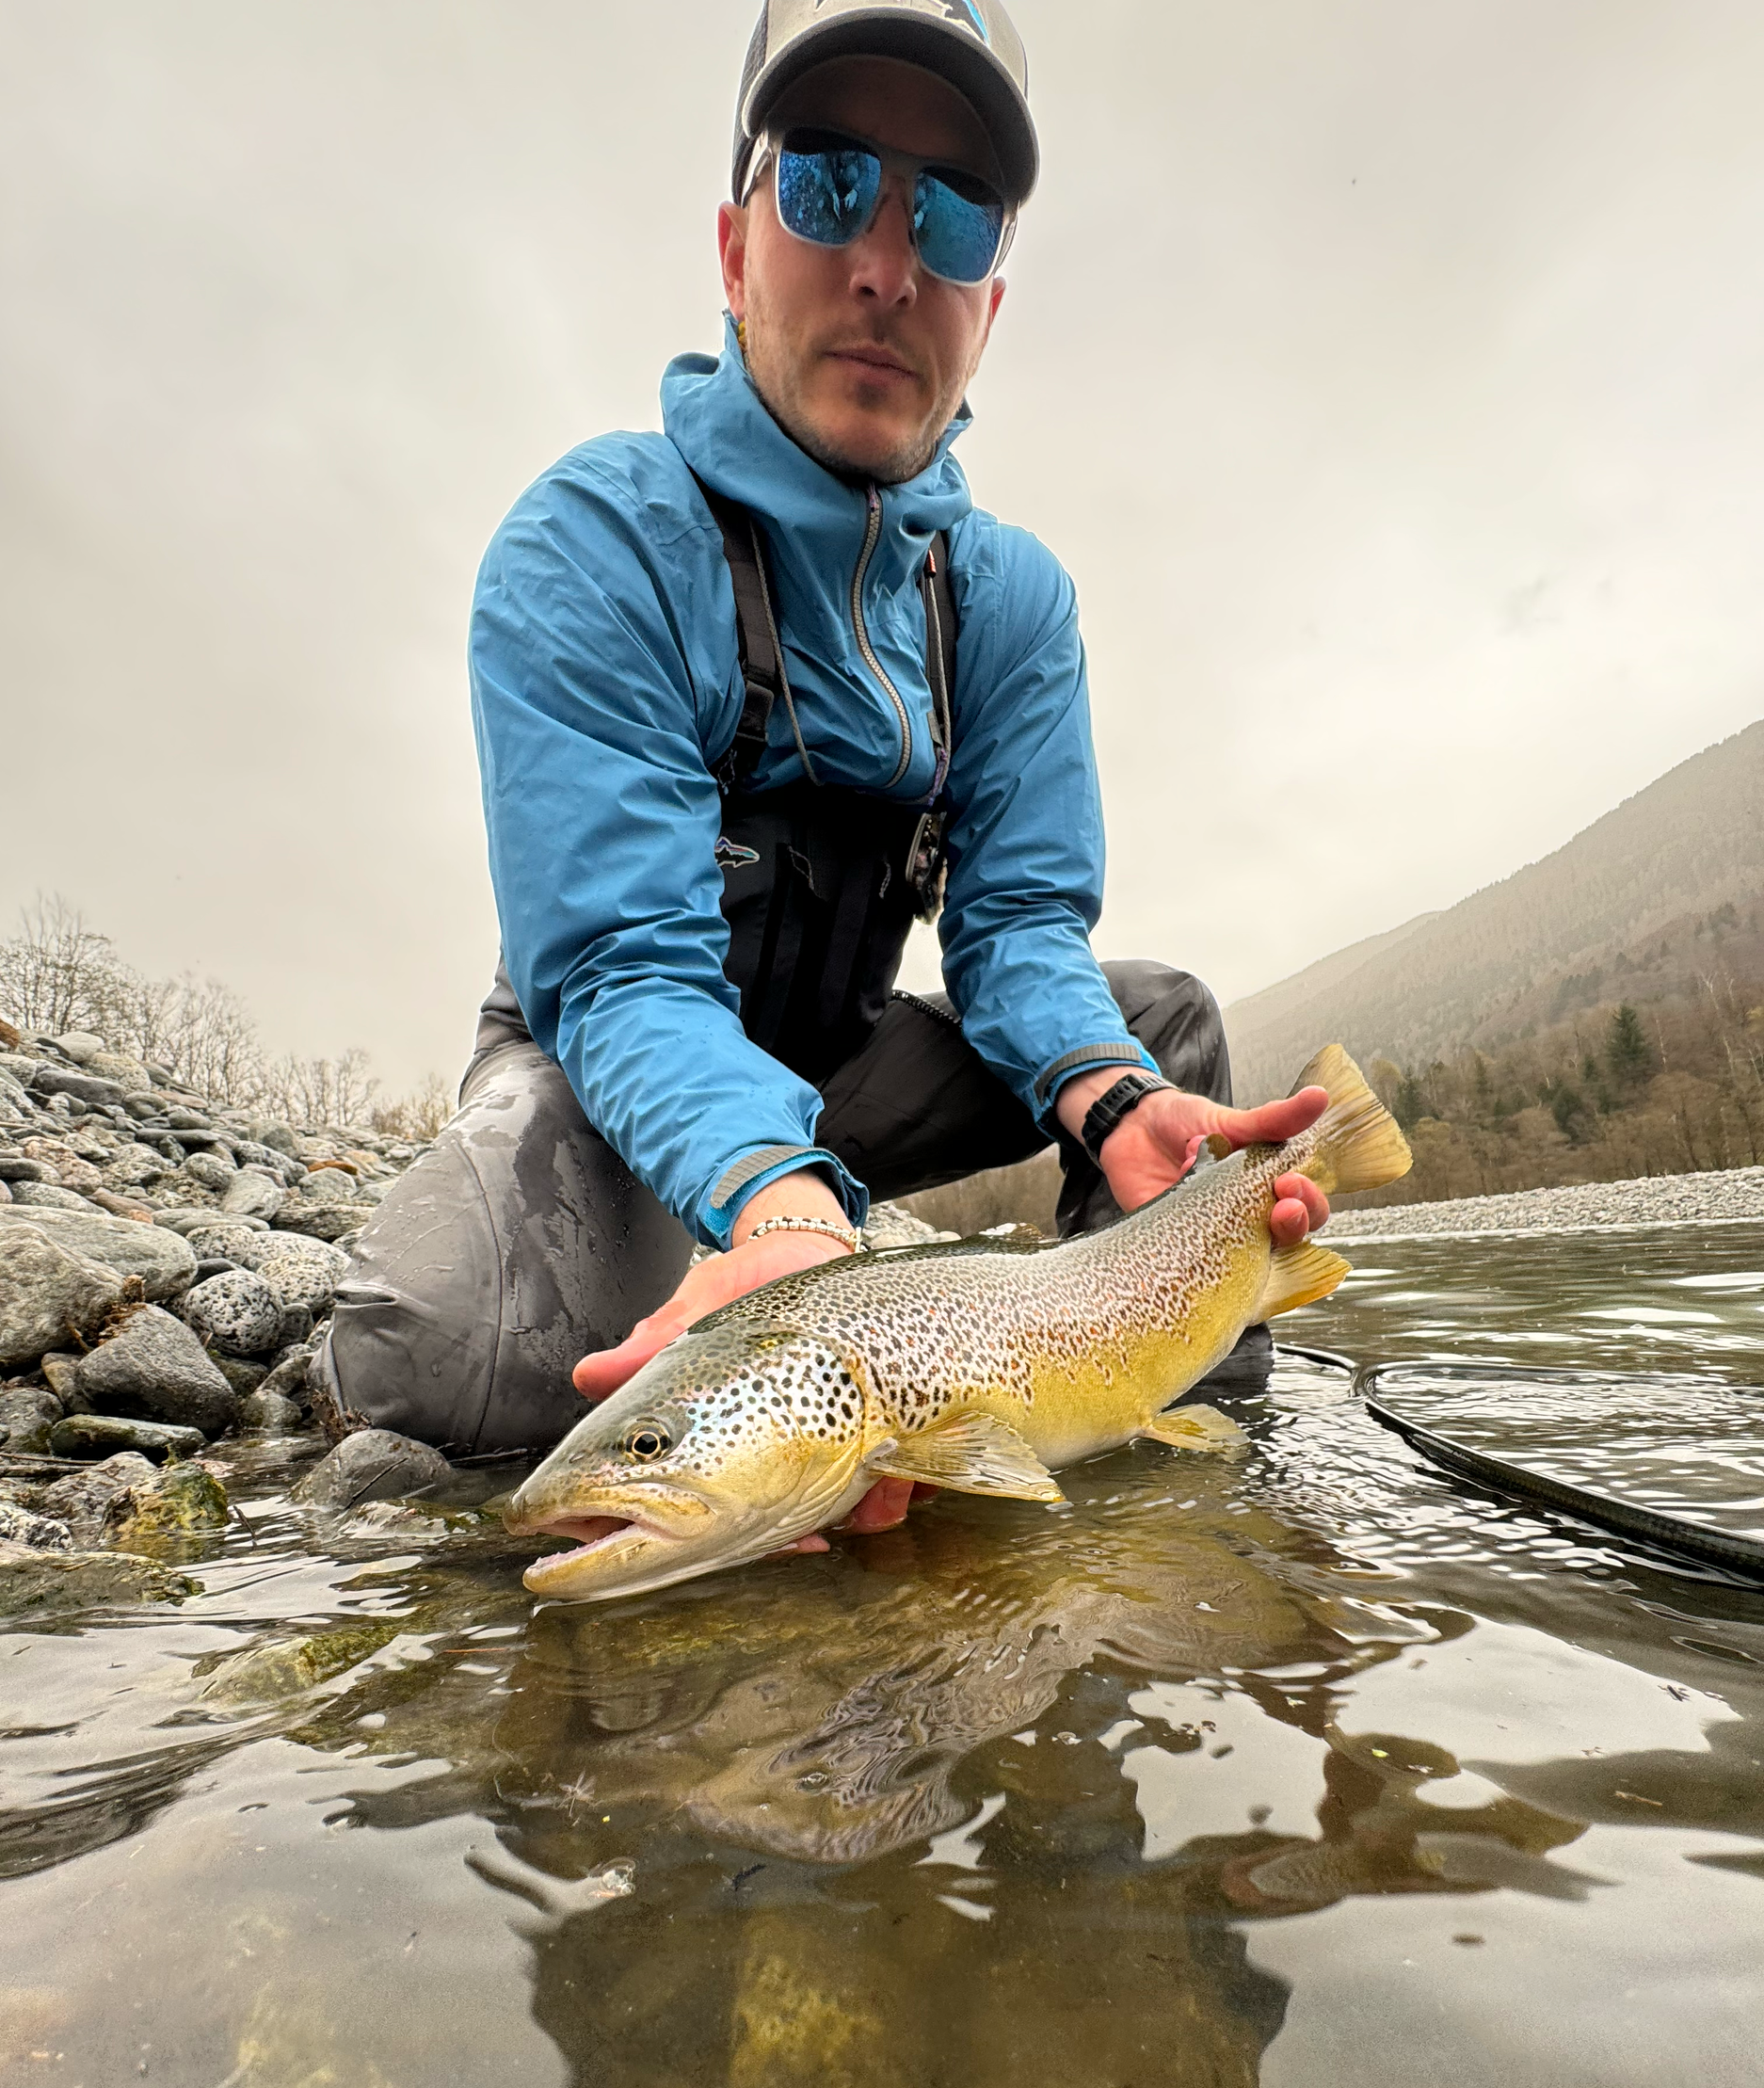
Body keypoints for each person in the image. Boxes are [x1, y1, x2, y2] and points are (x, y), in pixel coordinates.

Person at [313, 0, 1329, 1529]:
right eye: (830, 185)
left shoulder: (1011, 602)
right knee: (433, 1354)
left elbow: (1016, 936)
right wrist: (783, 1217)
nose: (885, 264)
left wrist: (1111, 1101)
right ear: (734, 250)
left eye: (955, 214)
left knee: (1159, 1029)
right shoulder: (589, 546)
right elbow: (624, 971)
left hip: (849, 1062)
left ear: (991, 303)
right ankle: (735, 1283)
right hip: (614, 1061)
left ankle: (1160, 1454)